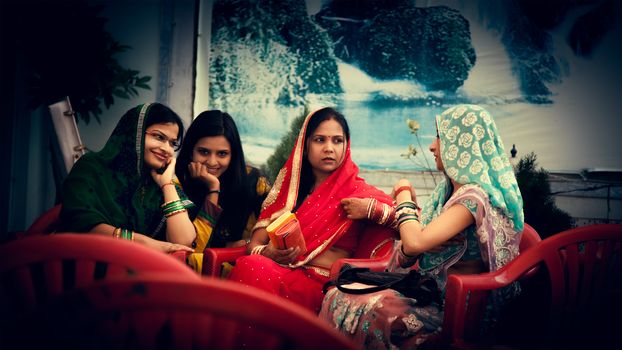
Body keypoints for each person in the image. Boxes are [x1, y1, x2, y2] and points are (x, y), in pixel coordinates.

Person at [319, 104, 524, 349]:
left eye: (440, 137)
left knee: (372, 309)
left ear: (463, 143)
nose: (432, 146)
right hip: (427, 294)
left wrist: (403, 193)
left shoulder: (473, 199)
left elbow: (414, 241)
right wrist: (414, 242)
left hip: (456, 313)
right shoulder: (446, 193)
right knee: (340, 293)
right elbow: (411, 248)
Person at [228, 107, 396, 313]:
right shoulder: (289, 194)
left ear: (347, 146)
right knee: (251, 264)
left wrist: (371, 210)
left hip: (324, 285)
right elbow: (254, 245)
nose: (329, 148)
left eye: (337, 140)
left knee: (254, 268)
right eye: (319, 140)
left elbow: (410, 220)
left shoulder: (359, 193)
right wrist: (268, 253)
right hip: (281, 271)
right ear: (304, 146)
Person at [60, 103, 195, 253]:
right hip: (86, 265)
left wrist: (167, 185)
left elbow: (184, 241)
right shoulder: (91, 167)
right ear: (134, 132)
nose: (167, 149)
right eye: (159, 137)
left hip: (139, 271)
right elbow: (82, 223)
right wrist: (145, 243)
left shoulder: (159, 181)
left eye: (173, 143)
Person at [174, 110, 270, 273]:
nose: (212, 162)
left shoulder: (253, 182)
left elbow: (269, 235)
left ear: (233, 155)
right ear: (191, 151)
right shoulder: (176, 184)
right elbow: (193, 249)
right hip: (187, 274)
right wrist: (213, 189)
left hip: (238, 272)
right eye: (204, 152)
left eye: (222, 154)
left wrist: (246, 245)